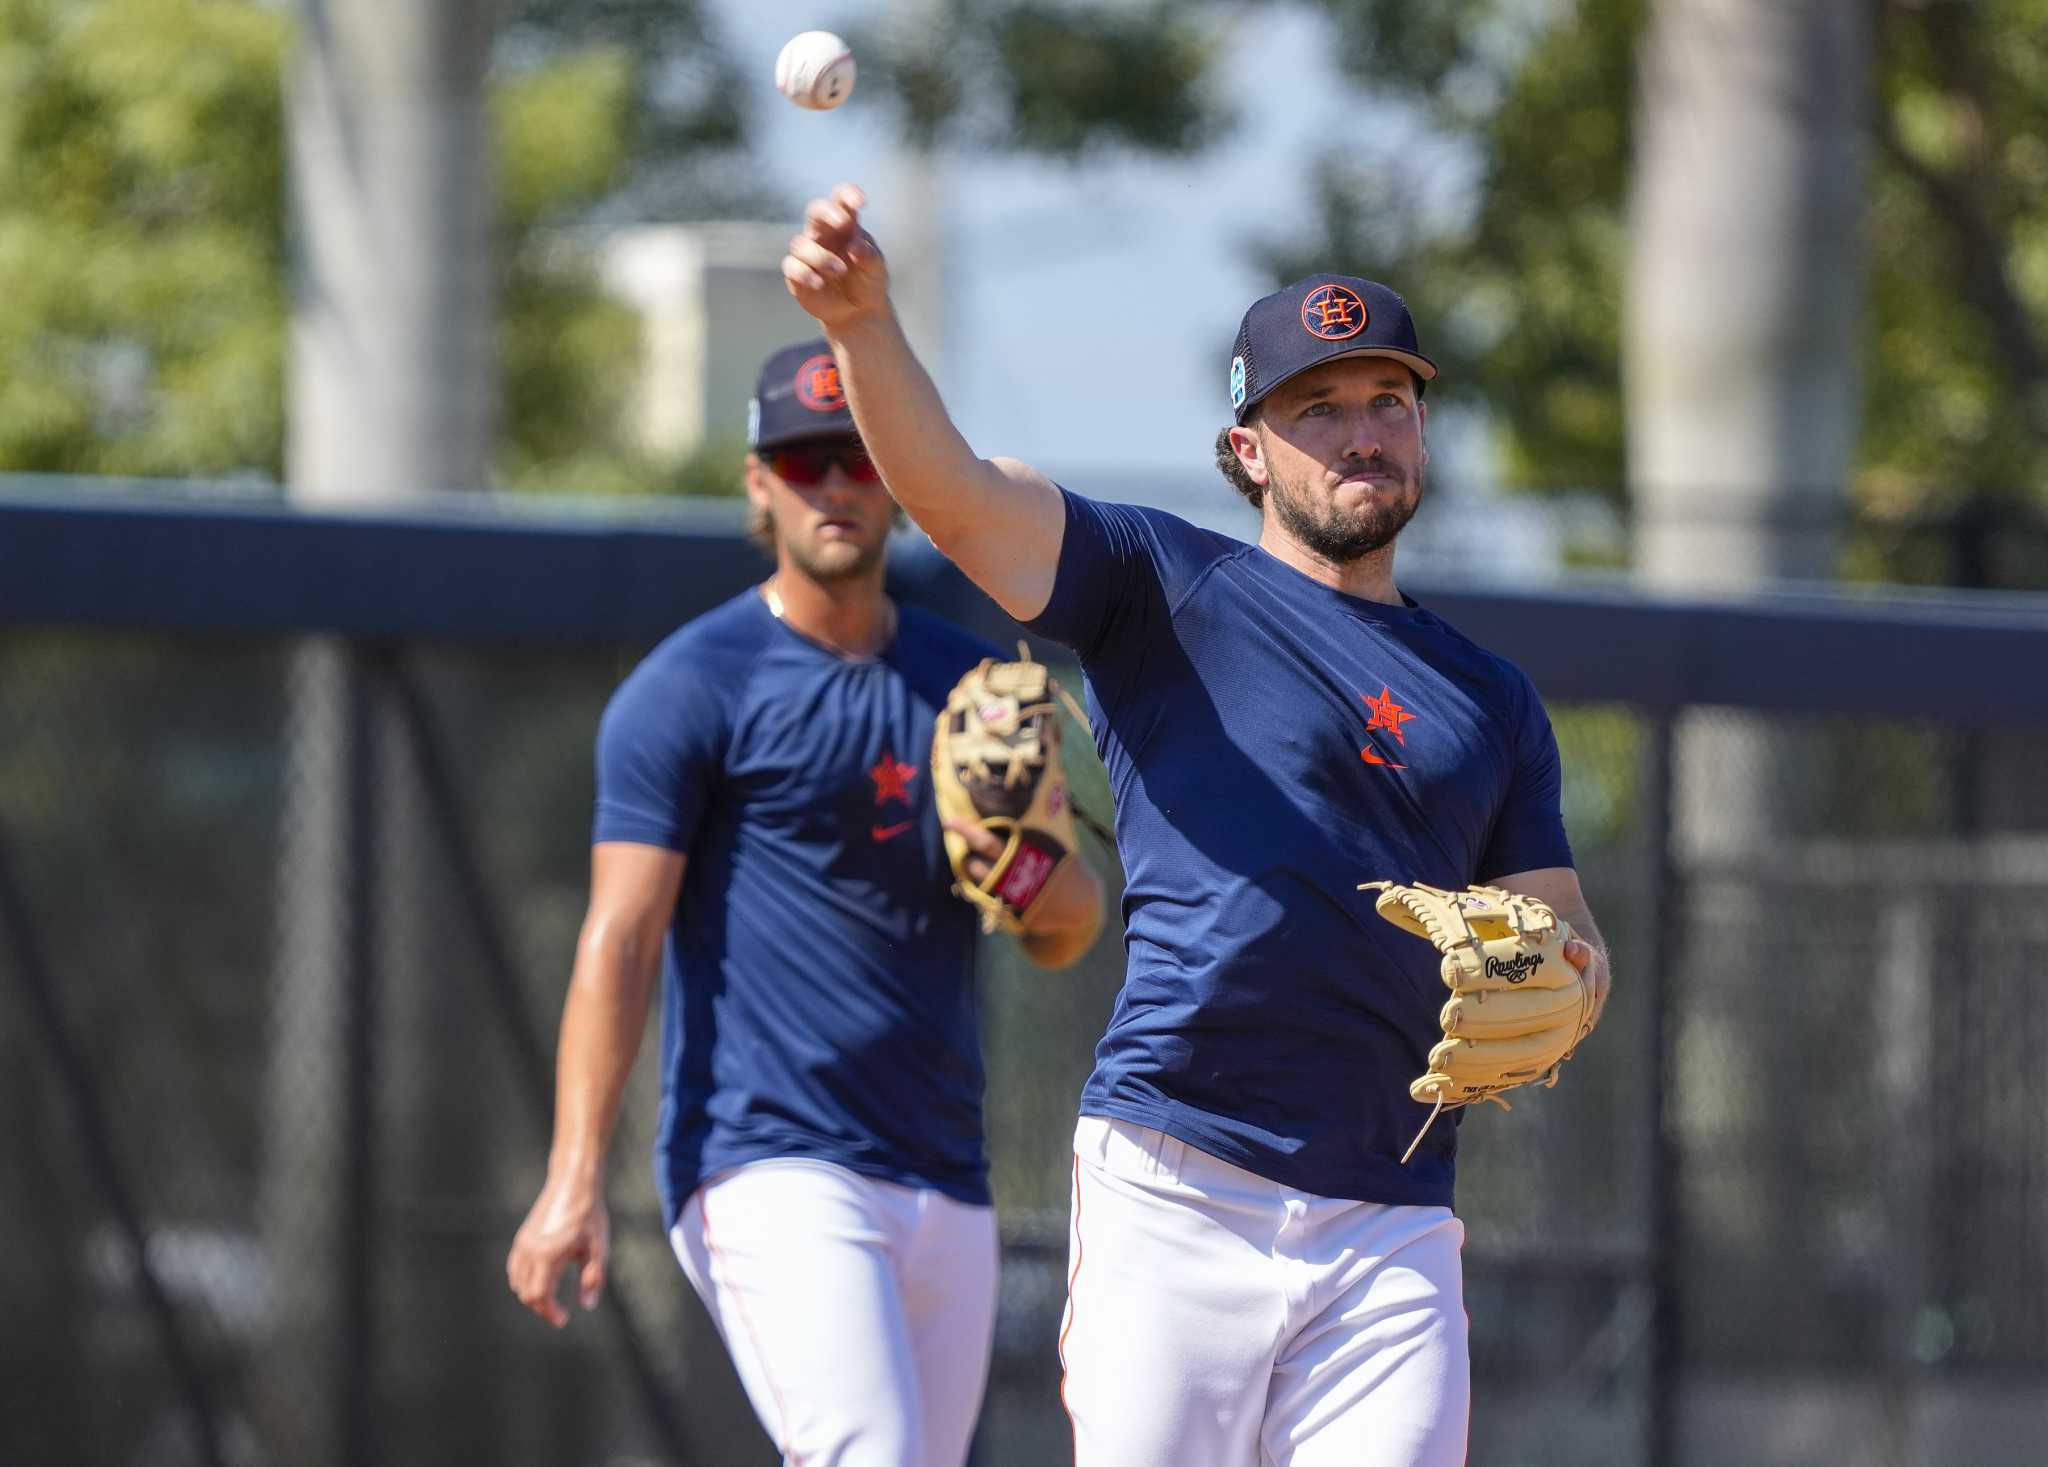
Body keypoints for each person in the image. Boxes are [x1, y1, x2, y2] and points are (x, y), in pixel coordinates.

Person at [779, 185, 1615, 1467]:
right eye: (1314, 409)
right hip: (1179, 1183)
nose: (1358, 434)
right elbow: (951, 499)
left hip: (1389, 1214)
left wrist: (1565, 975)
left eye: (1385, 401)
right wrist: (863, 327)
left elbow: (1563, 929)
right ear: (1246, 452)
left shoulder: (1490, 698)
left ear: (1423, 429)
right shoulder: (1161, 588)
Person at [505, 338, 1106, 1467]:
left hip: (938, 1166)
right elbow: (621, 937)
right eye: (801, 461)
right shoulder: (692, 686)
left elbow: (1067, 930)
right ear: (756, 483)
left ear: (893, 476)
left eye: (855, 456)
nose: (831, 484)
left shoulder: (964, 682)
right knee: (862, 1452)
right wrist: (574, 1176)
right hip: (765, 1159)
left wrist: (1014, 861)